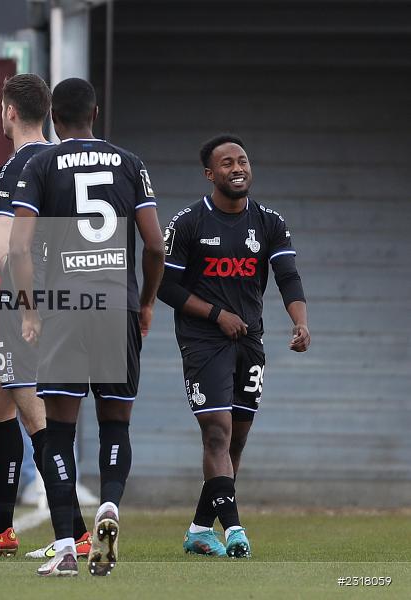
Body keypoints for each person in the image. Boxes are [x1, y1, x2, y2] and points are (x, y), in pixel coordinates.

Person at [9, 78, 165, 577]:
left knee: (59, 432)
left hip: (64, 309)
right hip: (116, 306)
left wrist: (30, 310)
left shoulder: (41, 163)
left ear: (53, 117)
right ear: (95, 113)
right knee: (116, 422)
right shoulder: (129, 162)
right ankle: (111, 503)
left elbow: (18, 248)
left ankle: (65, 550)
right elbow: (156, 247)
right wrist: (144, 305)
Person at [157, 134, 310, 559]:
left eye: (242, 160)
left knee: (236, 442)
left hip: (251, 341)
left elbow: (288, 276)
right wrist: (215, 314)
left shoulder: (269, 222)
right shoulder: (187, 223)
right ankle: (235, 530)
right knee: (217, 434)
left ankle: (199, 530)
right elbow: (165, 286)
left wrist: (300, 321)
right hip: (203, 342)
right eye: (227, 163)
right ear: (210, 174)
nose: (237, 168)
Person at [0, 73, 92, 559]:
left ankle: (75, 532)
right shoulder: (65, 158)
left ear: (9, 112)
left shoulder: (20, 164)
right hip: (69, 296)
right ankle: (1, 529)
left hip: (26, 303)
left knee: (39, 417)